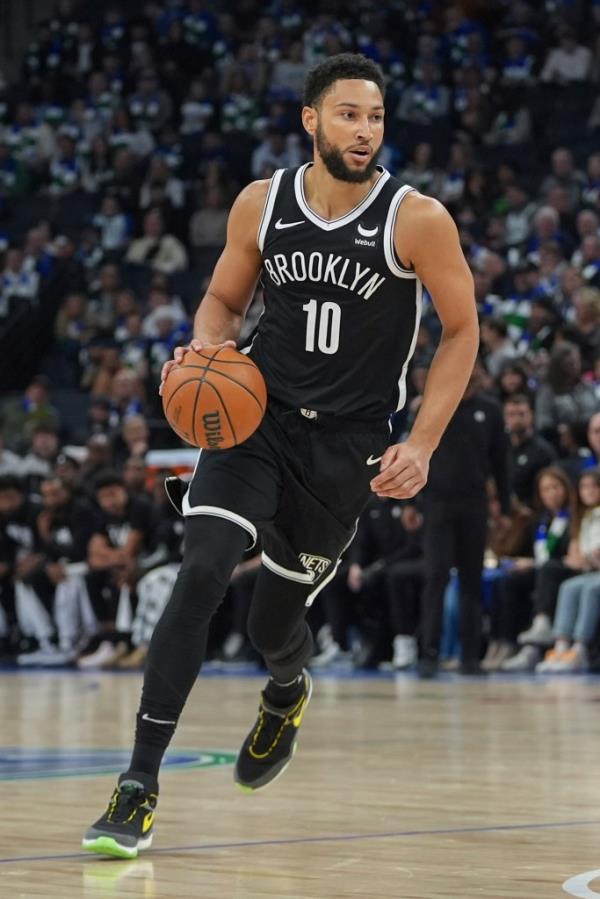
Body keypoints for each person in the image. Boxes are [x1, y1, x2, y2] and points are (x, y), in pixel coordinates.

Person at [83, 53, 478, 859]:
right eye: (348, 115)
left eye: (374, 117)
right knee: (202, 570)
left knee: (273, 622)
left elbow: (462, 329)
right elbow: (225, 302)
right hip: (255, 420)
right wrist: (202, 349)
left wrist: (424, 442)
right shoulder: (262, 205)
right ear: (311, 119)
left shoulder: (417, 218)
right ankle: (137, 784)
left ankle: (288, 689)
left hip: (348, 445)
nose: (364, 131)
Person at [417, 364, 511, 678]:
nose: (469, 380)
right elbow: (415, 451)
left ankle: (470, 657)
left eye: (475, 375)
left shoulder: (491, 411)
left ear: (481, 378)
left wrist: (506, 507)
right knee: (436, 577)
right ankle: (429, 654)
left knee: (472, 578)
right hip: (437, 502)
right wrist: (410, 502)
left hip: (475, 503)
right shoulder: (435, 403)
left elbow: (500, 460)